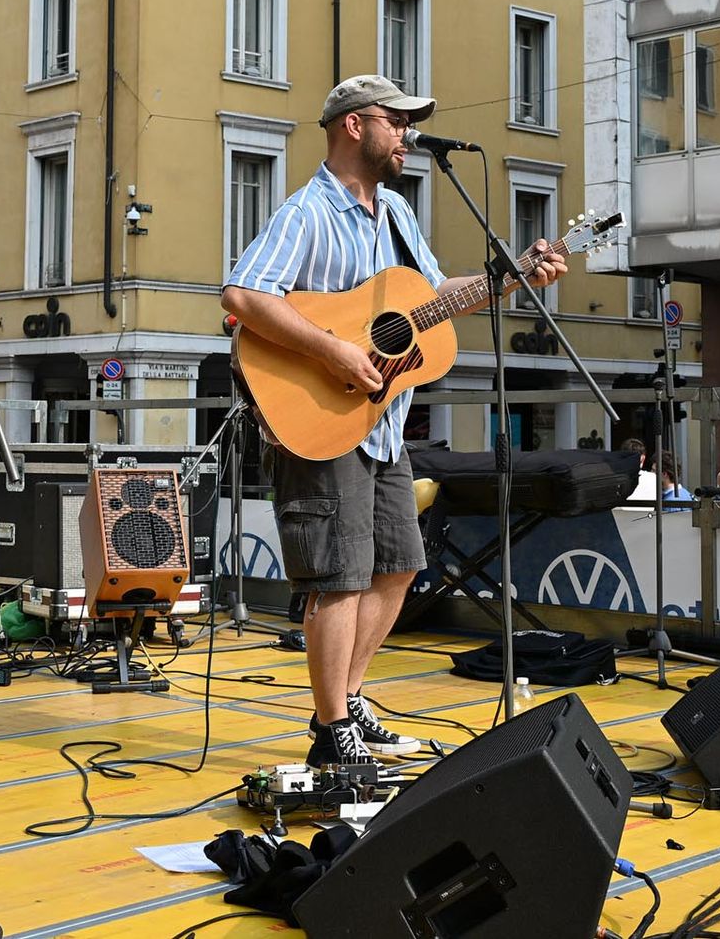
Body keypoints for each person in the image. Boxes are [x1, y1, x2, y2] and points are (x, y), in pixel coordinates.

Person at [223, 75, 565, 765]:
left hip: (381, 423)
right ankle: (329, 733)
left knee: (399, 567)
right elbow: (243, 293)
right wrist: (336, 351)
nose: (408, 135)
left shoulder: (398, 215)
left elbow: (430, 297)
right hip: (318, 417)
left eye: (411, 124)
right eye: (396, 121)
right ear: (353, 126)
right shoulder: (306, 211)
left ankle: (348, 704)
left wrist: (512, 275)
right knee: (338, 577)